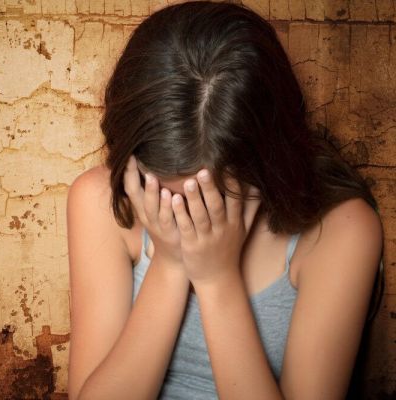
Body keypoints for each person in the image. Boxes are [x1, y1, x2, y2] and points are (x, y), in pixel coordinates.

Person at [65, 1, 385, 399]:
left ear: (270, 161)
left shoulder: (342, 231)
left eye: (215, 195)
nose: (190, 214)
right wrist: (170, 263)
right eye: (165, 193)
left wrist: (217, 279)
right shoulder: (100, 201)